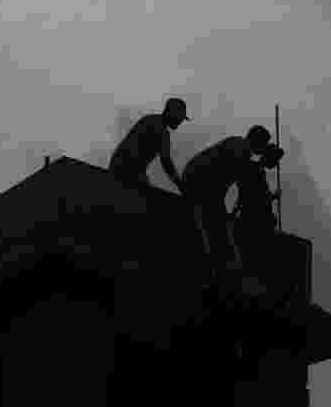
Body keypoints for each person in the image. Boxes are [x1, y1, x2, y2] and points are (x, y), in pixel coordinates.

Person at [182, 125, 281, 285]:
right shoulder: (241, 148)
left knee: (217, 228)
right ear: (258, 141)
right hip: (200, 183)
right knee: (218, 231)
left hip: (201, 183)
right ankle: (218, 272)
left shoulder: (239, 146)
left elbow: (238, 179)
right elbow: (244, 182)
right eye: (263, 145)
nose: (262, 149)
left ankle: (217, 269)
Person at [108, 98, 189, 191]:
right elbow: (166, 162)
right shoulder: (161, 130)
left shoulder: (151, 120)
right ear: (172, 113)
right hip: (126, 170)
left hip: (120, 166)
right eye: (180, 117)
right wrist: (180, 185)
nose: (180, 122)